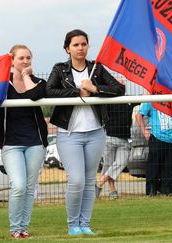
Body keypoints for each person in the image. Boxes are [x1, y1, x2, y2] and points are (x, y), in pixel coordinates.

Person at [46, 29, 124, 236]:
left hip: (96, 133)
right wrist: (78, 91)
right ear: (67, 48)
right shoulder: (60, 69)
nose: (81, 48)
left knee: (89, 180)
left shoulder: (97, 69)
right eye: (76, 45)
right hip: (68, 134)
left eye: (84, 44)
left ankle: (85, 224)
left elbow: (119, 89)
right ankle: (73, 225)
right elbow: (49, 91)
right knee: (77, 180)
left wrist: (95, 89)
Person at [0, 44, 48, 239]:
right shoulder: (2, 84)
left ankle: (22, 229)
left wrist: (26, 76)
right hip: (11, 144)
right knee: (18, 185)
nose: (25, 61)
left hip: (35, 142)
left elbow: (34, 95)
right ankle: (14, 227)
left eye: (28, 58)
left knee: (29, 186)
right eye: (21, 58)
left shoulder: (38, 82)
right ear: (11, 60)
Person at [96, 81, 138, 199]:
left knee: (121, 163)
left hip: (124, 140)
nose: (121, 87)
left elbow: (142, 99)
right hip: (109, 138)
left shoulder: (128, 101)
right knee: (108, 165)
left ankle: (100, 183)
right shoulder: (108, 100)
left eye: (122, 86)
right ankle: (112, 191)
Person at [135, 102, 172, 196]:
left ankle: (166, 191)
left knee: (170, 167)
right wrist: (144, 131)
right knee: (154, 167)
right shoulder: (152, 100)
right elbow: (138, 115)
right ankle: (151, 192)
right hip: (157, 138)